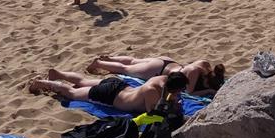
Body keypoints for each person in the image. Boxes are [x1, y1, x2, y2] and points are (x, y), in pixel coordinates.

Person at [30, 70, 188, 114]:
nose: (180, 94)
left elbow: (169, 96)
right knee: (71, 93)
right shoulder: (152, 90)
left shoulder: (163, 79)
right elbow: (154, 115)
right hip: (109, 96)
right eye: (179, 91)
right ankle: (42, 83)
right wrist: (173, 106)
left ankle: (58, 73)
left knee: (84, 81)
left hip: (120, 86)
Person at [87, 56, 225, 96]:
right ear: (207, 79)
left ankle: (110, 58)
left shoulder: (204, 64)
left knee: (134, 61)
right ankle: (99, 63)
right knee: (126, 69)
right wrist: (208, 90)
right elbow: (190, 92)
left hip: (167, 62)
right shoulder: (195, 72)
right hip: (158, 71)